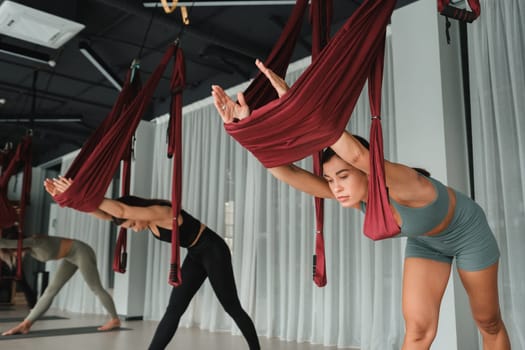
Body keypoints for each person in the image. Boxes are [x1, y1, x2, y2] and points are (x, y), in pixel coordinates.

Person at [211, 60, 511, 349]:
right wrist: (247, 129)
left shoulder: (404, 182)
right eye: (329, 179)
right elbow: (286, 172)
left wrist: (295, 104)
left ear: (368, 172)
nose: (335, 187)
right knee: (418, 330)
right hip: (426, 243)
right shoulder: (358, 197)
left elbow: (355, 155)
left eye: (342, 176)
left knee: (488, 322)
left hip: (467, 233)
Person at [44, 179, 261, 350]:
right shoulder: (140, 217)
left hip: (213, 250)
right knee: (174, 309)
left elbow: (121, 211)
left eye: (133, 223)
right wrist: (68, 200)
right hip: (195, 253)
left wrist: (79, 191)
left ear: (136, 211)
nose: (135, 229)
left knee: (231, 306)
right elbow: (108, 215)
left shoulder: (162, 212)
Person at [0, 235, 120, 336]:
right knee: (50, 291)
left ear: (17, 244)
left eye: (13, 251)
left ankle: (115, 319)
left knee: (96, 288)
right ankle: (25, 325)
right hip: (69, 256)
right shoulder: (30, 250)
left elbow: (3, 243)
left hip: (81, 251)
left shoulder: (34, 241)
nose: (15, 255)